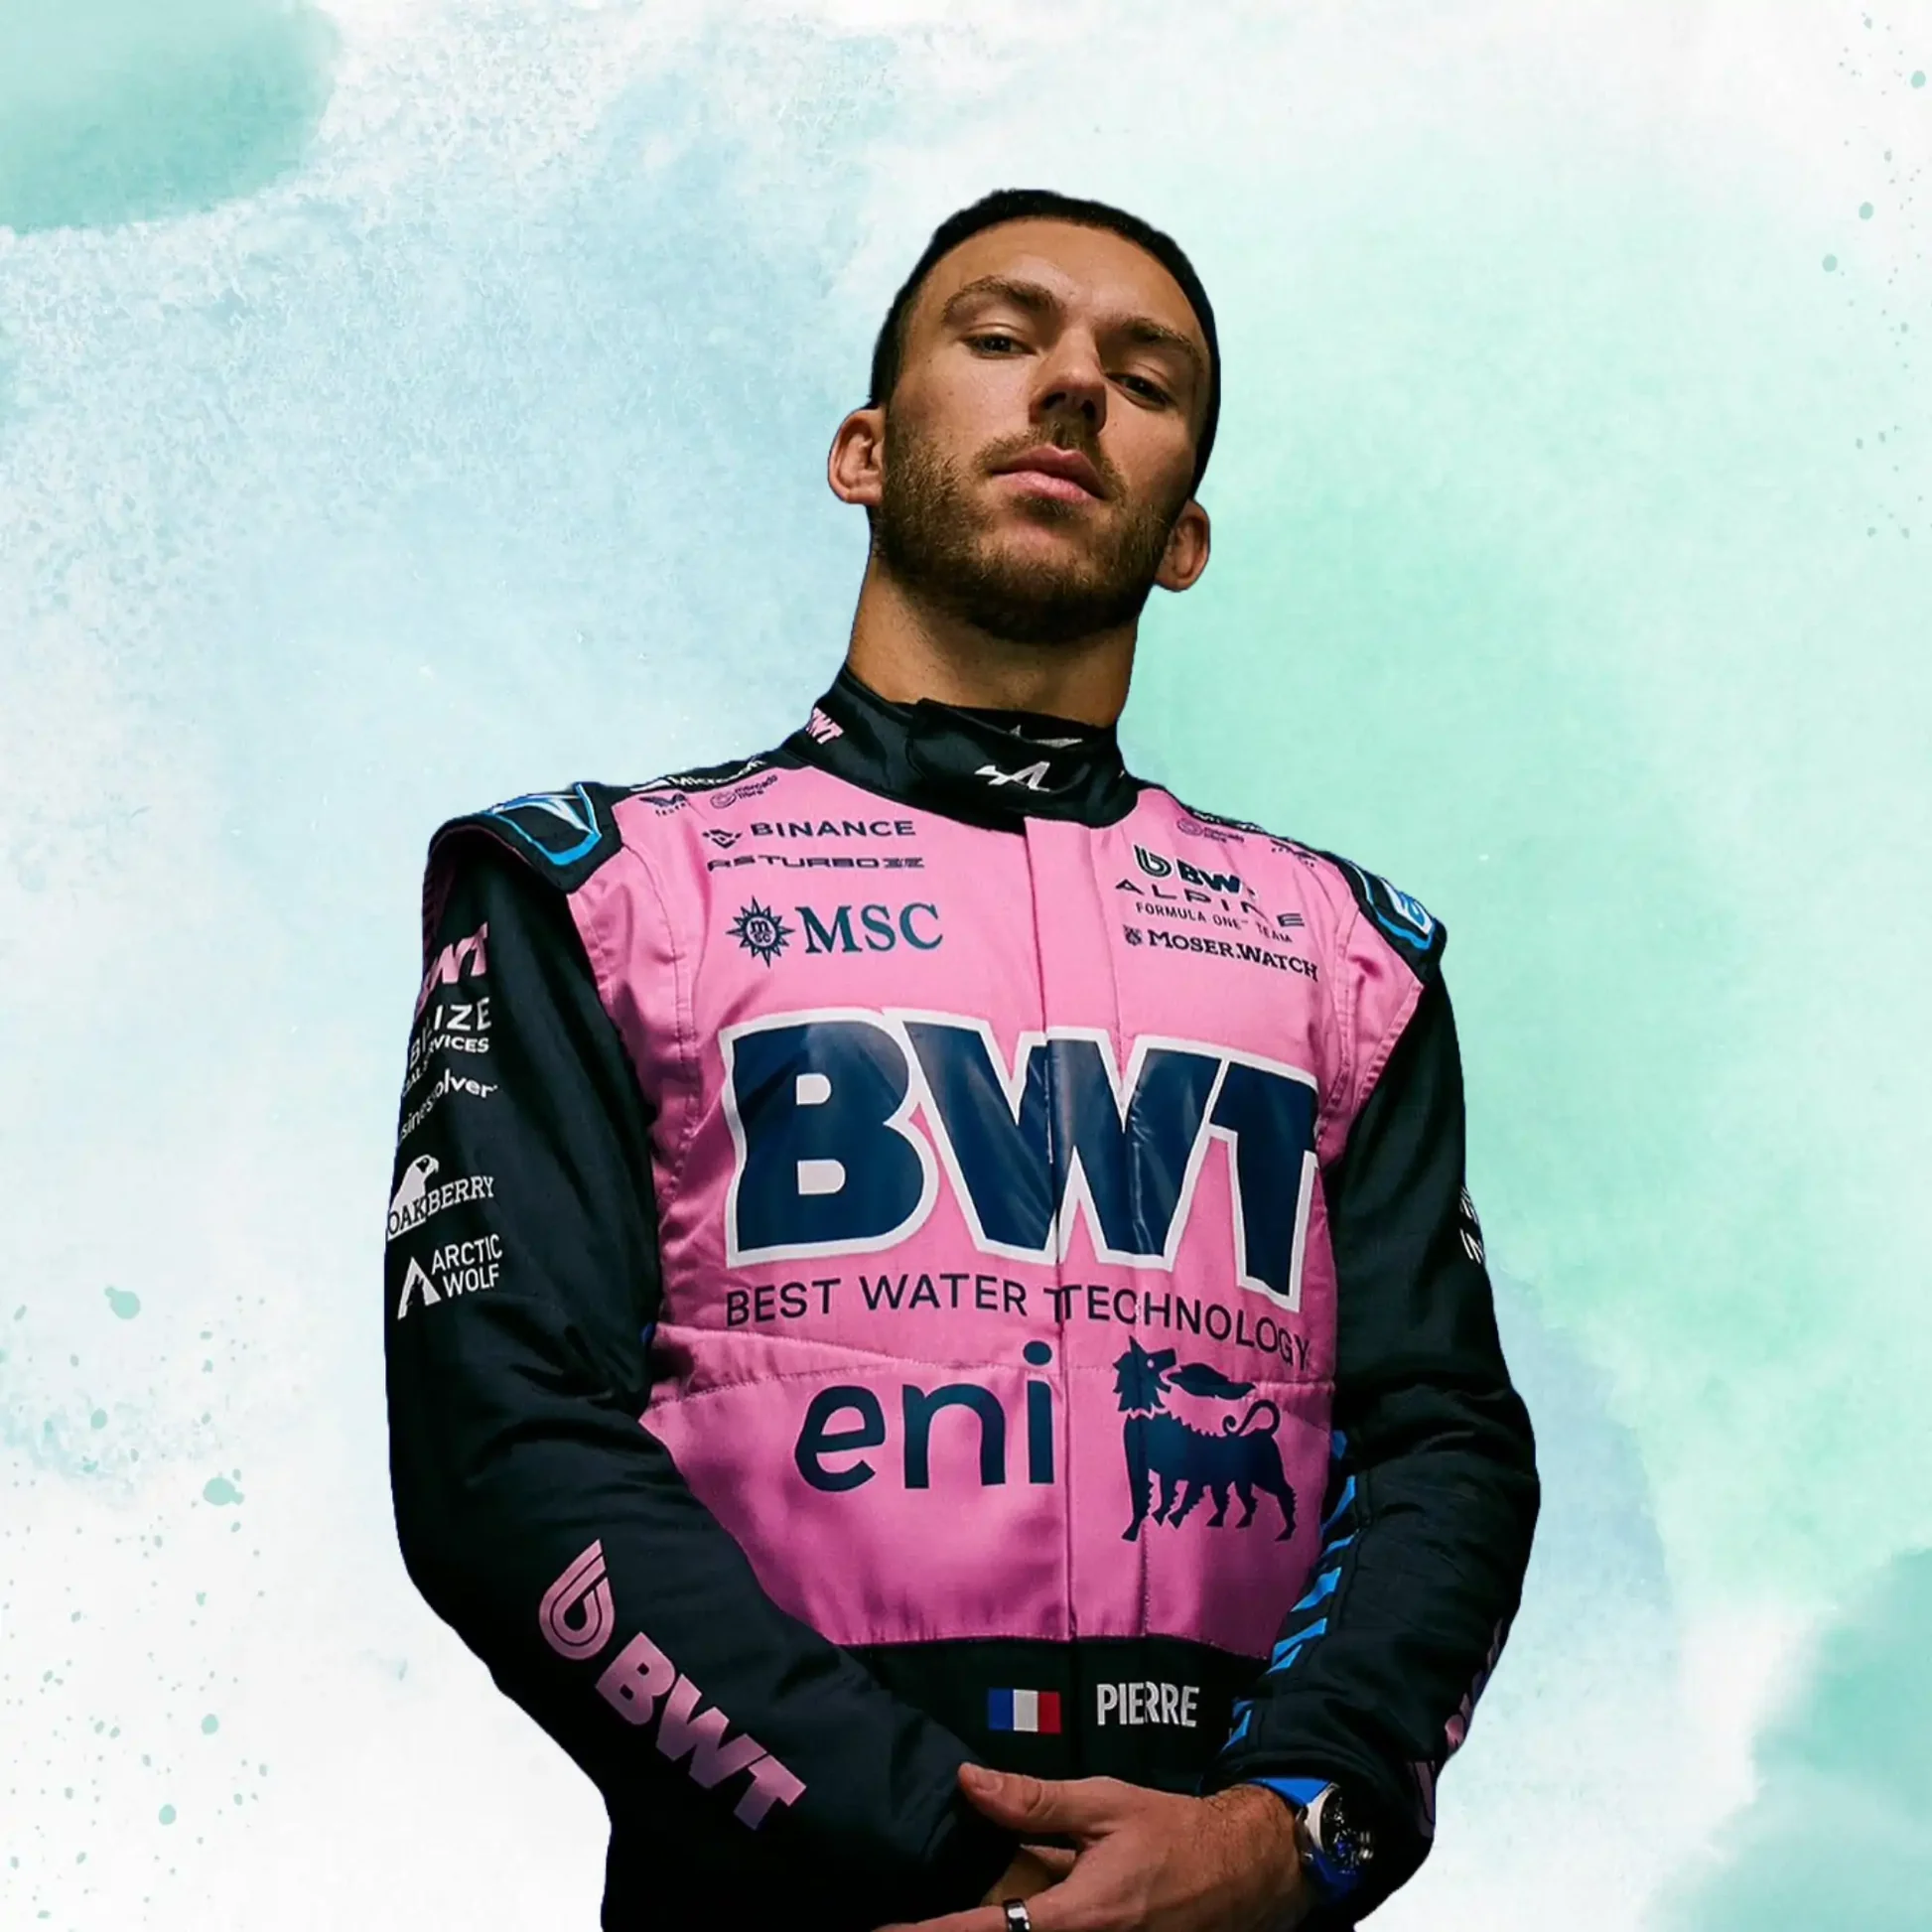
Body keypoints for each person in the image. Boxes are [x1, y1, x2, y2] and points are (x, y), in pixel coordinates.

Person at [383, 187, 1540, 1932]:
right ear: (860, 450)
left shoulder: (1346, 951)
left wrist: (1283, 1834)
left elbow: (1442, 1445)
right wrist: (954, 1851)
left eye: (1142, 380)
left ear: (1184, 536)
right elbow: (502, 1441)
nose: (1070, 386)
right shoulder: (598, 890)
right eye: (1001, 338)